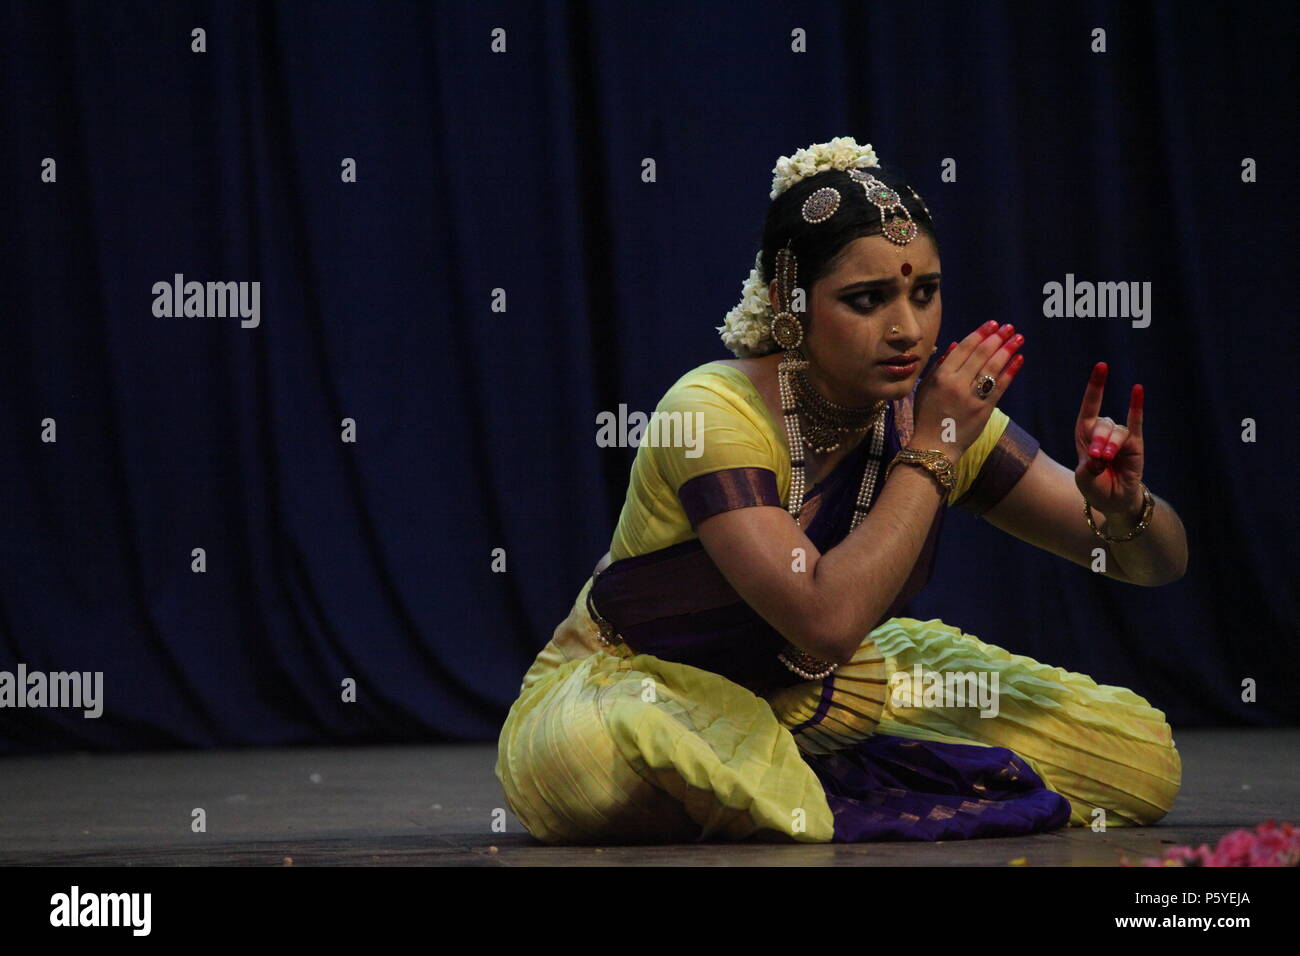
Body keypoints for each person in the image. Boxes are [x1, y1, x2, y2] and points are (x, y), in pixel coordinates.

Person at [495, 137, 1188, 844]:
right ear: (787, 305)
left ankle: (806, 774)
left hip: (830, 693)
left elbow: (1156, 565)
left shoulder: (938, 418)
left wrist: (1124, 506)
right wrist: (933, 451)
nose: (907, 331)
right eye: (867, 300)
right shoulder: (710, 412)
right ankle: (813, 776)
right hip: (641, 688)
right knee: (604, 766)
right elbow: (823, 621)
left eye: (925, 292)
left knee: (1133, 762)